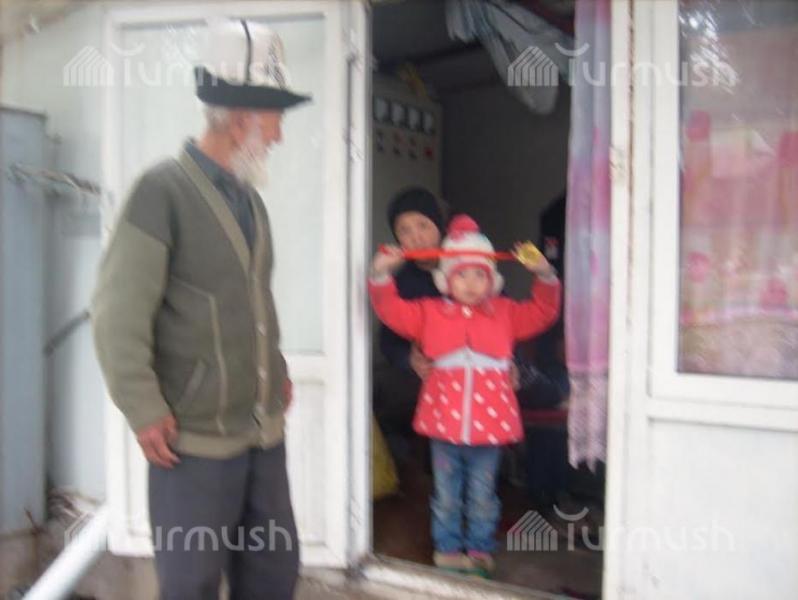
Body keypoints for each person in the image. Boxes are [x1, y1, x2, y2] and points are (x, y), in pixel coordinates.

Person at [91, 20, 310, 600]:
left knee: (273, 574)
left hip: (262, 434)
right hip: (192, 445)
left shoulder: (251, 201)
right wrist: (142, 406)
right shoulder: (160, 192)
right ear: (241, 119)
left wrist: (275, 371)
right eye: (275, 119)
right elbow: (117, 312)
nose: (279, 136)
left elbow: (252, 303)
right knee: (190, 585)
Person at [368, 215, 561, 577]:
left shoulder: (505, 313)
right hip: (443, 429)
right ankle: (447, 548)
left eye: (479, 275)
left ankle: (479, 548)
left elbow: (543, 312)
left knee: (483, 496)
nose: (471, 283)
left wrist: (545, 274)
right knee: (446, 496)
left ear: (491, 280)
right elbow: (391, 311)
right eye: (461, 275)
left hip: (488, 431)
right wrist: (380, 275)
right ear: (446, 279)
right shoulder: (429, 313)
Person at [373, 187, 446, 468]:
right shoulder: (402, 282)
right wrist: (410, 360)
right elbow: (388, 343)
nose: (416, 237)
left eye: (423, 226)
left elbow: (501, 317)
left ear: (439, 226)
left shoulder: (467, 267)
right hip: (424, 374)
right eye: (405, 230)